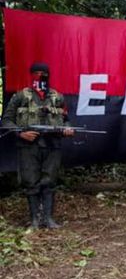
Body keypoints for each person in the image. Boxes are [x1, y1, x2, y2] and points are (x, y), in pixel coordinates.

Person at [2, 62, 73, 229]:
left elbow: (66, 118)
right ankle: (35, 220)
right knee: (30, 181)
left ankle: (48, 219)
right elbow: (6, 120)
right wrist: (21, 133)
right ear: (31, 75)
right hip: (29, 146)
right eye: (37, 73)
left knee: (50, 181)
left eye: (44, 73)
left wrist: (67, 128)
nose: (41, 76)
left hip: (52, 144)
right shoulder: (21, 96)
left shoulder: (57, 97)